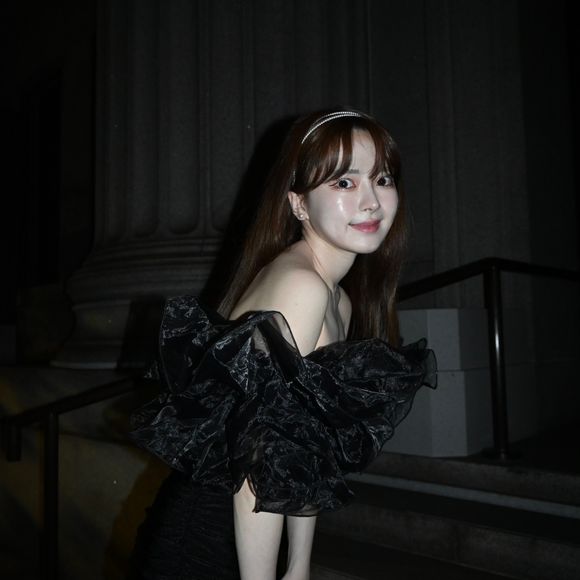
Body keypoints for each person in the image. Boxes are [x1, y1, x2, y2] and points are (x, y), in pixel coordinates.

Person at [129, 107, 436, 580]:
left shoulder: (337, 297)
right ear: (298, 204)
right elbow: (257, 464)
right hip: (212, 535)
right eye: (344, 182)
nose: (372, 201)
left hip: (243, 533)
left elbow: (300, 449)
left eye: (383, 179)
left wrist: (298, 564)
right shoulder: (302, 287)